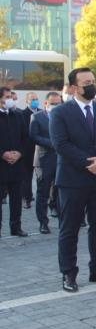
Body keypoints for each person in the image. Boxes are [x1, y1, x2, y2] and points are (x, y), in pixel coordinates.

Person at [50, 68, 96, 292]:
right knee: (70, 229)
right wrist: (88, 162)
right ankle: (69, 274)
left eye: (93, 81)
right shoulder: (61, 112)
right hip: (73, 179)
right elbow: (61, 144)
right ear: (74, 88)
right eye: (86, 82)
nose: (92, 85)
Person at [30, 92, 62, 234]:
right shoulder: (37, 117)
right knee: (43, 193)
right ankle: (43, 222)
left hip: (61, 160)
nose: (56, 106)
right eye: (53, 103)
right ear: (46, 104)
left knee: (60, 191)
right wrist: (51, 143)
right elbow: (34, 136)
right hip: (44, 160)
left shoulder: (63, 116)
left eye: (58, 103)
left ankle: (63, 220)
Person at [0, 86, 30, 237]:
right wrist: (3, 154)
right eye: (6, 97)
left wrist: (19, 153)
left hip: (16, 164)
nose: (10, 100)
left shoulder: (17, 115)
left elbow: (25, 137)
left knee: (16, 199)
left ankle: (16, 227)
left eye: (10, 97)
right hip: (1, 163)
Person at [21, 92, 40, 209]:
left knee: (41, 177)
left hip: (40, 149)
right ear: (27, 101)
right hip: (28, 150)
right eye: (33, 99)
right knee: (27, 176)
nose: (35, 101)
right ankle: (26, 198)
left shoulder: (42, 113)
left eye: (37, 99)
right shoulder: (22, 114)